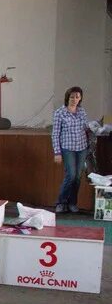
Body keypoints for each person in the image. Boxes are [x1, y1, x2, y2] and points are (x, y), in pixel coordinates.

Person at [52, 86, 88, 214]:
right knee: (70, 175)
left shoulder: (82, 112)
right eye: (72, 97)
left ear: (80, 98)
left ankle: (72, 203)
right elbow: (55, 134)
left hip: (82, 148)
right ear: (68, 97)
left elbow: (85, 128)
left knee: (77, 177)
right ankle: (61, 202)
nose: (74, 99)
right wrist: (57, 152)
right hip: (67, 148)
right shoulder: (59, 113)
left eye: (77, 97)